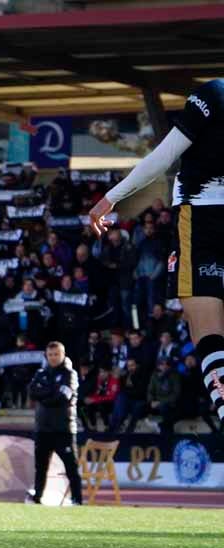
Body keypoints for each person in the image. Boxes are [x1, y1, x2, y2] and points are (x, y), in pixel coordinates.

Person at [90, 78, 224, 428]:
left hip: (203, 215)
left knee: (207, 332)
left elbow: (165, 156)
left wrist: (112, 197)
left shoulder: (215, 93)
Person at [27, 342, 83, 505]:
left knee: (70, 467)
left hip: (63, 428)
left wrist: (44, 395)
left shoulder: (70, 374)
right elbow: (32, 391)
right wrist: (51, 392)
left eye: (56, 354)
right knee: (41, 466)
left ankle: (77, 500)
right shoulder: (41, 373)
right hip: (43, 428)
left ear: (63, 354)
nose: (53, 357)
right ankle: (38, 497)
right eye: (50, 354)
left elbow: (63, 397)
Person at [147, 357, 181, 435]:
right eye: (162, 364)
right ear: (158, 366)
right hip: (156, 402)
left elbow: (176, 394)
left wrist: (160, 402)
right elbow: (150, 391)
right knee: (141, 406)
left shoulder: (175, 375)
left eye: (167, 364)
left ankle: (161, 428)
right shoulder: (154, 376)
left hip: (170, 403)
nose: (164, 366)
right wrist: (151, 401)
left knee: (166, 409)